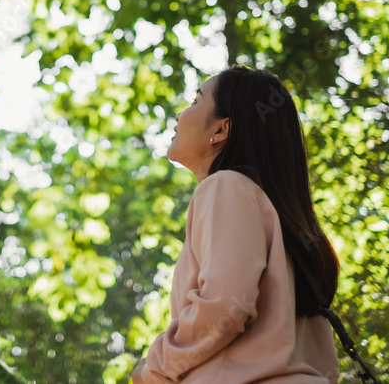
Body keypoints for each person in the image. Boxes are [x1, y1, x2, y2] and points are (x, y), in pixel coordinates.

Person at [131, 66, 341, 383]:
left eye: (194, 101)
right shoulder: (276, 215)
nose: (179, 115)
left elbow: (224, 306)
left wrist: (154, 368)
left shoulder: (225, 186)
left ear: (221, 129)